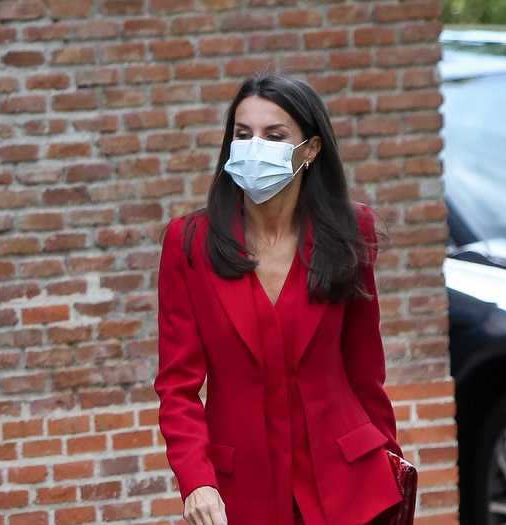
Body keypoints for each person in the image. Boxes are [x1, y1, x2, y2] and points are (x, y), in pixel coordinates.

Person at [153, 72, 406, 525]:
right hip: (241, 492)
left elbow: (366, 370)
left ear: (309, 150)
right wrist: (196, 480)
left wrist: (391, 462)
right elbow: (177, 388)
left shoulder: (351, 230)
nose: (254, 146)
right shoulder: (188, 243)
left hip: (350, 486)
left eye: (274, 135)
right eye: (242, 133)